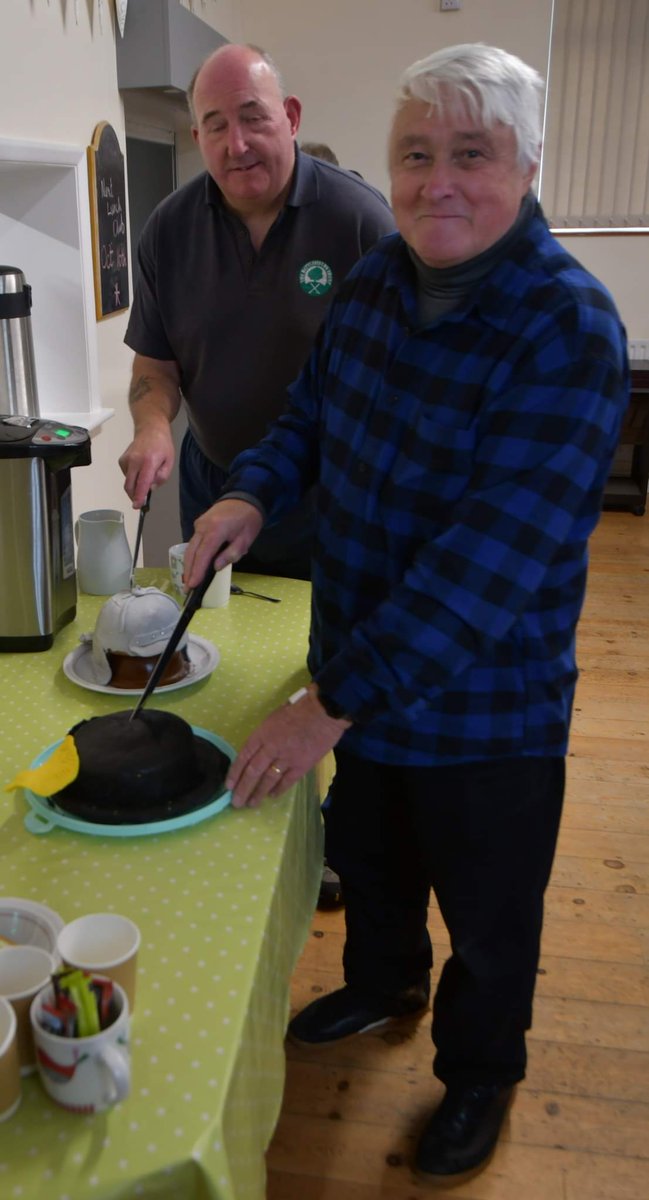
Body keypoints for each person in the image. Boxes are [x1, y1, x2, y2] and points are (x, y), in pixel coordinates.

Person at [182, 44, 629, 1181]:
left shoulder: (568, 329)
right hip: (362, 679)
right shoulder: (379, 282)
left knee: (490, 916)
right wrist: (248, 489)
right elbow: (309, 419)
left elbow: (488, 567)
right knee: (373, 864)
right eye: (416, 155)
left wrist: (325, 703)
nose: (437, 182)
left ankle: (480, 1071)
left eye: (468, 156)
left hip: (487, 710)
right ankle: (383, 984)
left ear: (526, 165)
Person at [119, 43, 394, 580]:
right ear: (198, 138)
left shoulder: (360, 221)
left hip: (328, 495)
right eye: (216, 126)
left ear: (290, 118)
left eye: (253, 117)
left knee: (320, 650)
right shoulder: (168, 231)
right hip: (211, 482)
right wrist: (151, 427)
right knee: (209, 640)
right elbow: (155, 367)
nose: (236, 143)